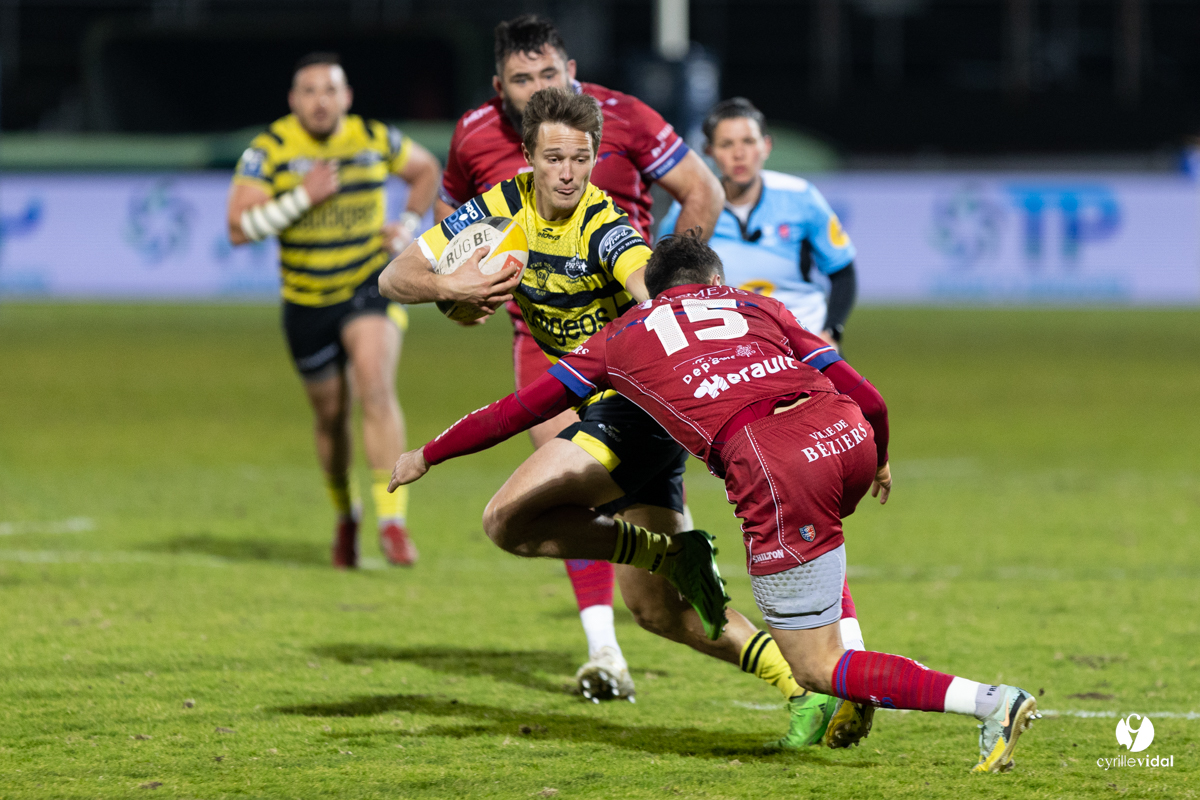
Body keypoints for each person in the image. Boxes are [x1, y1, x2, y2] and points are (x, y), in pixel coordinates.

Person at [388, 231, 1042, 773]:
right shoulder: (758, 307)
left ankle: (991, 702)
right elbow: (870, 396)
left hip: (774, 462)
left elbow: (518, 411)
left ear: (657, 283)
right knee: (823, 570)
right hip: (847, 435)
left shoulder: (622, 335)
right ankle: (856, 679)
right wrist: (882, 453)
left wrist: (430, 453)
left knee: (815, 665)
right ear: (715, 278)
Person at [380, 87, 865, 748]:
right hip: (607, 411)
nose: (567, 173)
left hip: (630, 406)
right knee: (658, 612)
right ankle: (798, 687)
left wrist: (687, 324)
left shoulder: (604, 226)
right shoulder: (498, 213)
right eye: (554, 158)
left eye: (580, 159)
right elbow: (394, 276)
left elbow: (645, 281)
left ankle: (667, 553)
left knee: (506, 519)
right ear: (527, 158)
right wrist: (450, 285)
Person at [435, 15, 725, 699]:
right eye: (521, 78)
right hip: (541, 336)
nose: (538, 86)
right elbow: (453, 236)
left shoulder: (622, 116)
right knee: (559, 489)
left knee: (637, 491)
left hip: (633, 330)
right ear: (498, 86)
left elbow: (702, 191)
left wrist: (674, 288)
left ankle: (691, 573)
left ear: (570, 68)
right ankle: (605, 651)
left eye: (548, 72)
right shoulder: (474, 135)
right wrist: (458, 296)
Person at [227, 52, 440, 568]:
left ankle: (393, 520)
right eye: (309, 91)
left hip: (367, 284)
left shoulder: (372, 138)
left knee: (375, 386)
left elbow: (426, 169)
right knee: (331, 417)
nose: (320, 101)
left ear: (346, 97)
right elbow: (238, 227)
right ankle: (347, 516)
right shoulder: (270, 149)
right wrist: (302, 197)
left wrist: (408, 224)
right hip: (306, 303)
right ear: (293, 100)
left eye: (330, 90)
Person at [659, 98, 857, 349]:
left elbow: (843, 272)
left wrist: (831, 332)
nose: (739, 154)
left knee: (854, 390)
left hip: (804, 342)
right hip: (729, 347)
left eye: (748, 142)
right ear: (708, 152)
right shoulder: (687, 210)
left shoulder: (801, 197)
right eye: (726, 144)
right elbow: (664, 283)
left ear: (766, 146)